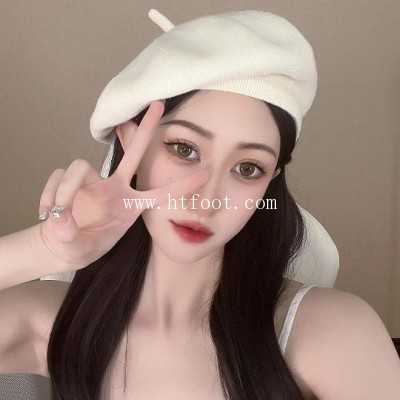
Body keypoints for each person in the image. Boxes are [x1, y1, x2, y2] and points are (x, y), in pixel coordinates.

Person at [1, 8, 400, 400]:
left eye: (248, 168)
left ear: (270, 181)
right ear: (130, 140)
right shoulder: (53, 321)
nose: (206, 201)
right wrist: (46, 248)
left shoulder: (329, 333)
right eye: (184, 149)